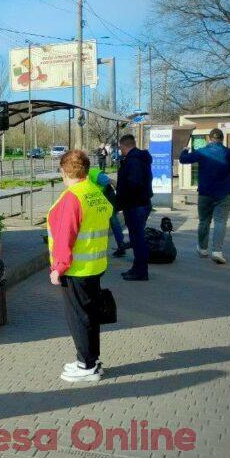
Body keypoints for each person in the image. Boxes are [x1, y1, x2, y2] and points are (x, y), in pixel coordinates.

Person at [48, 150, 113, 383]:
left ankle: (86, 365)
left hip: (76, 269)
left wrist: (58, 268)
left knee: (79, 317)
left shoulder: (72, 197)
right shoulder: (94, 192)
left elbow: (66, 236)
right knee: (90, 315)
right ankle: (91, 360)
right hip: (95, 265)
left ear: (64, 171)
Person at [179, 128, 230, 264]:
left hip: (205, 192)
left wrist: (185, 149)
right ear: (222, 138)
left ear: (210, 139)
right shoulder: (228, 152)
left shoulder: (202, 152)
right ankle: (217, 251)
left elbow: (183, 159)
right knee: (220, 222)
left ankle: (203, 249)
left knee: (204, 221)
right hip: (224, 193)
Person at [115, 134, 153, 281]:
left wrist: (122, 200)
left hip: (135, 205)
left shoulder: (133, 161)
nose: (120, 151)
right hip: (138, 204)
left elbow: (133, 184)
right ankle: (137, 268)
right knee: (136, 238)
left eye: (120, 148)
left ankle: (141, 272)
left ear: (124, 146)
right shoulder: (138, 158)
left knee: (138, 239)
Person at [88, 167, 129, 257]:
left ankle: (121, 245)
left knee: (113, 221)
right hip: (99, 200)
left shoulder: (94, 174)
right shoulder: (79, 178)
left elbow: (113, 182)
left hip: (108, 199)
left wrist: (121, 196)